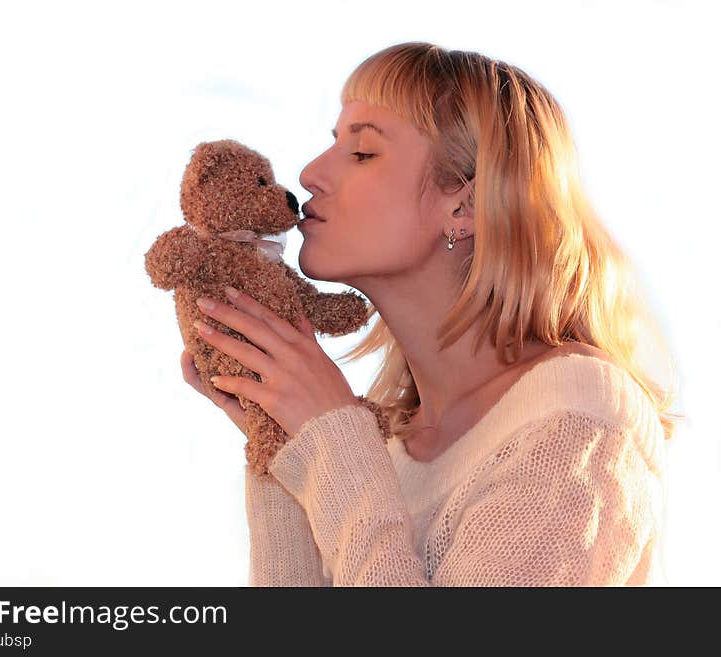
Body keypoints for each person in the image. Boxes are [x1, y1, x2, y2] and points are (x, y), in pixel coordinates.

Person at [181, 41, 683, 586]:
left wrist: (332, 439)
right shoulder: (383, 451)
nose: (308, 174)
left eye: (363, 153)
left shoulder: (577, 414)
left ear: (463, 205)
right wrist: (279, 446)